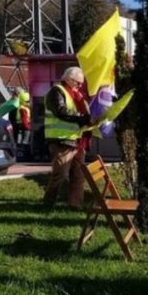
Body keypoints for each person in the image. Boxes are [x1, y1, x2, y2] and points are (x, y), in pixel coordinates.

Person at [43, 66, 91, 209]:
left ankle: (75, 204)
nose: (80, 86)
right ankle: (48, 203)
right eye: (78, 82)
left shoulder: (76, 95)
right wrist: (83, 118)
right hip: (61, 140)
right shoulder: (56, 91)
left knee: (78, 175)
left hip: (77, 140)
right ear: (69, 79)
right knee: (61, 174)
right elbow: (61, 111)